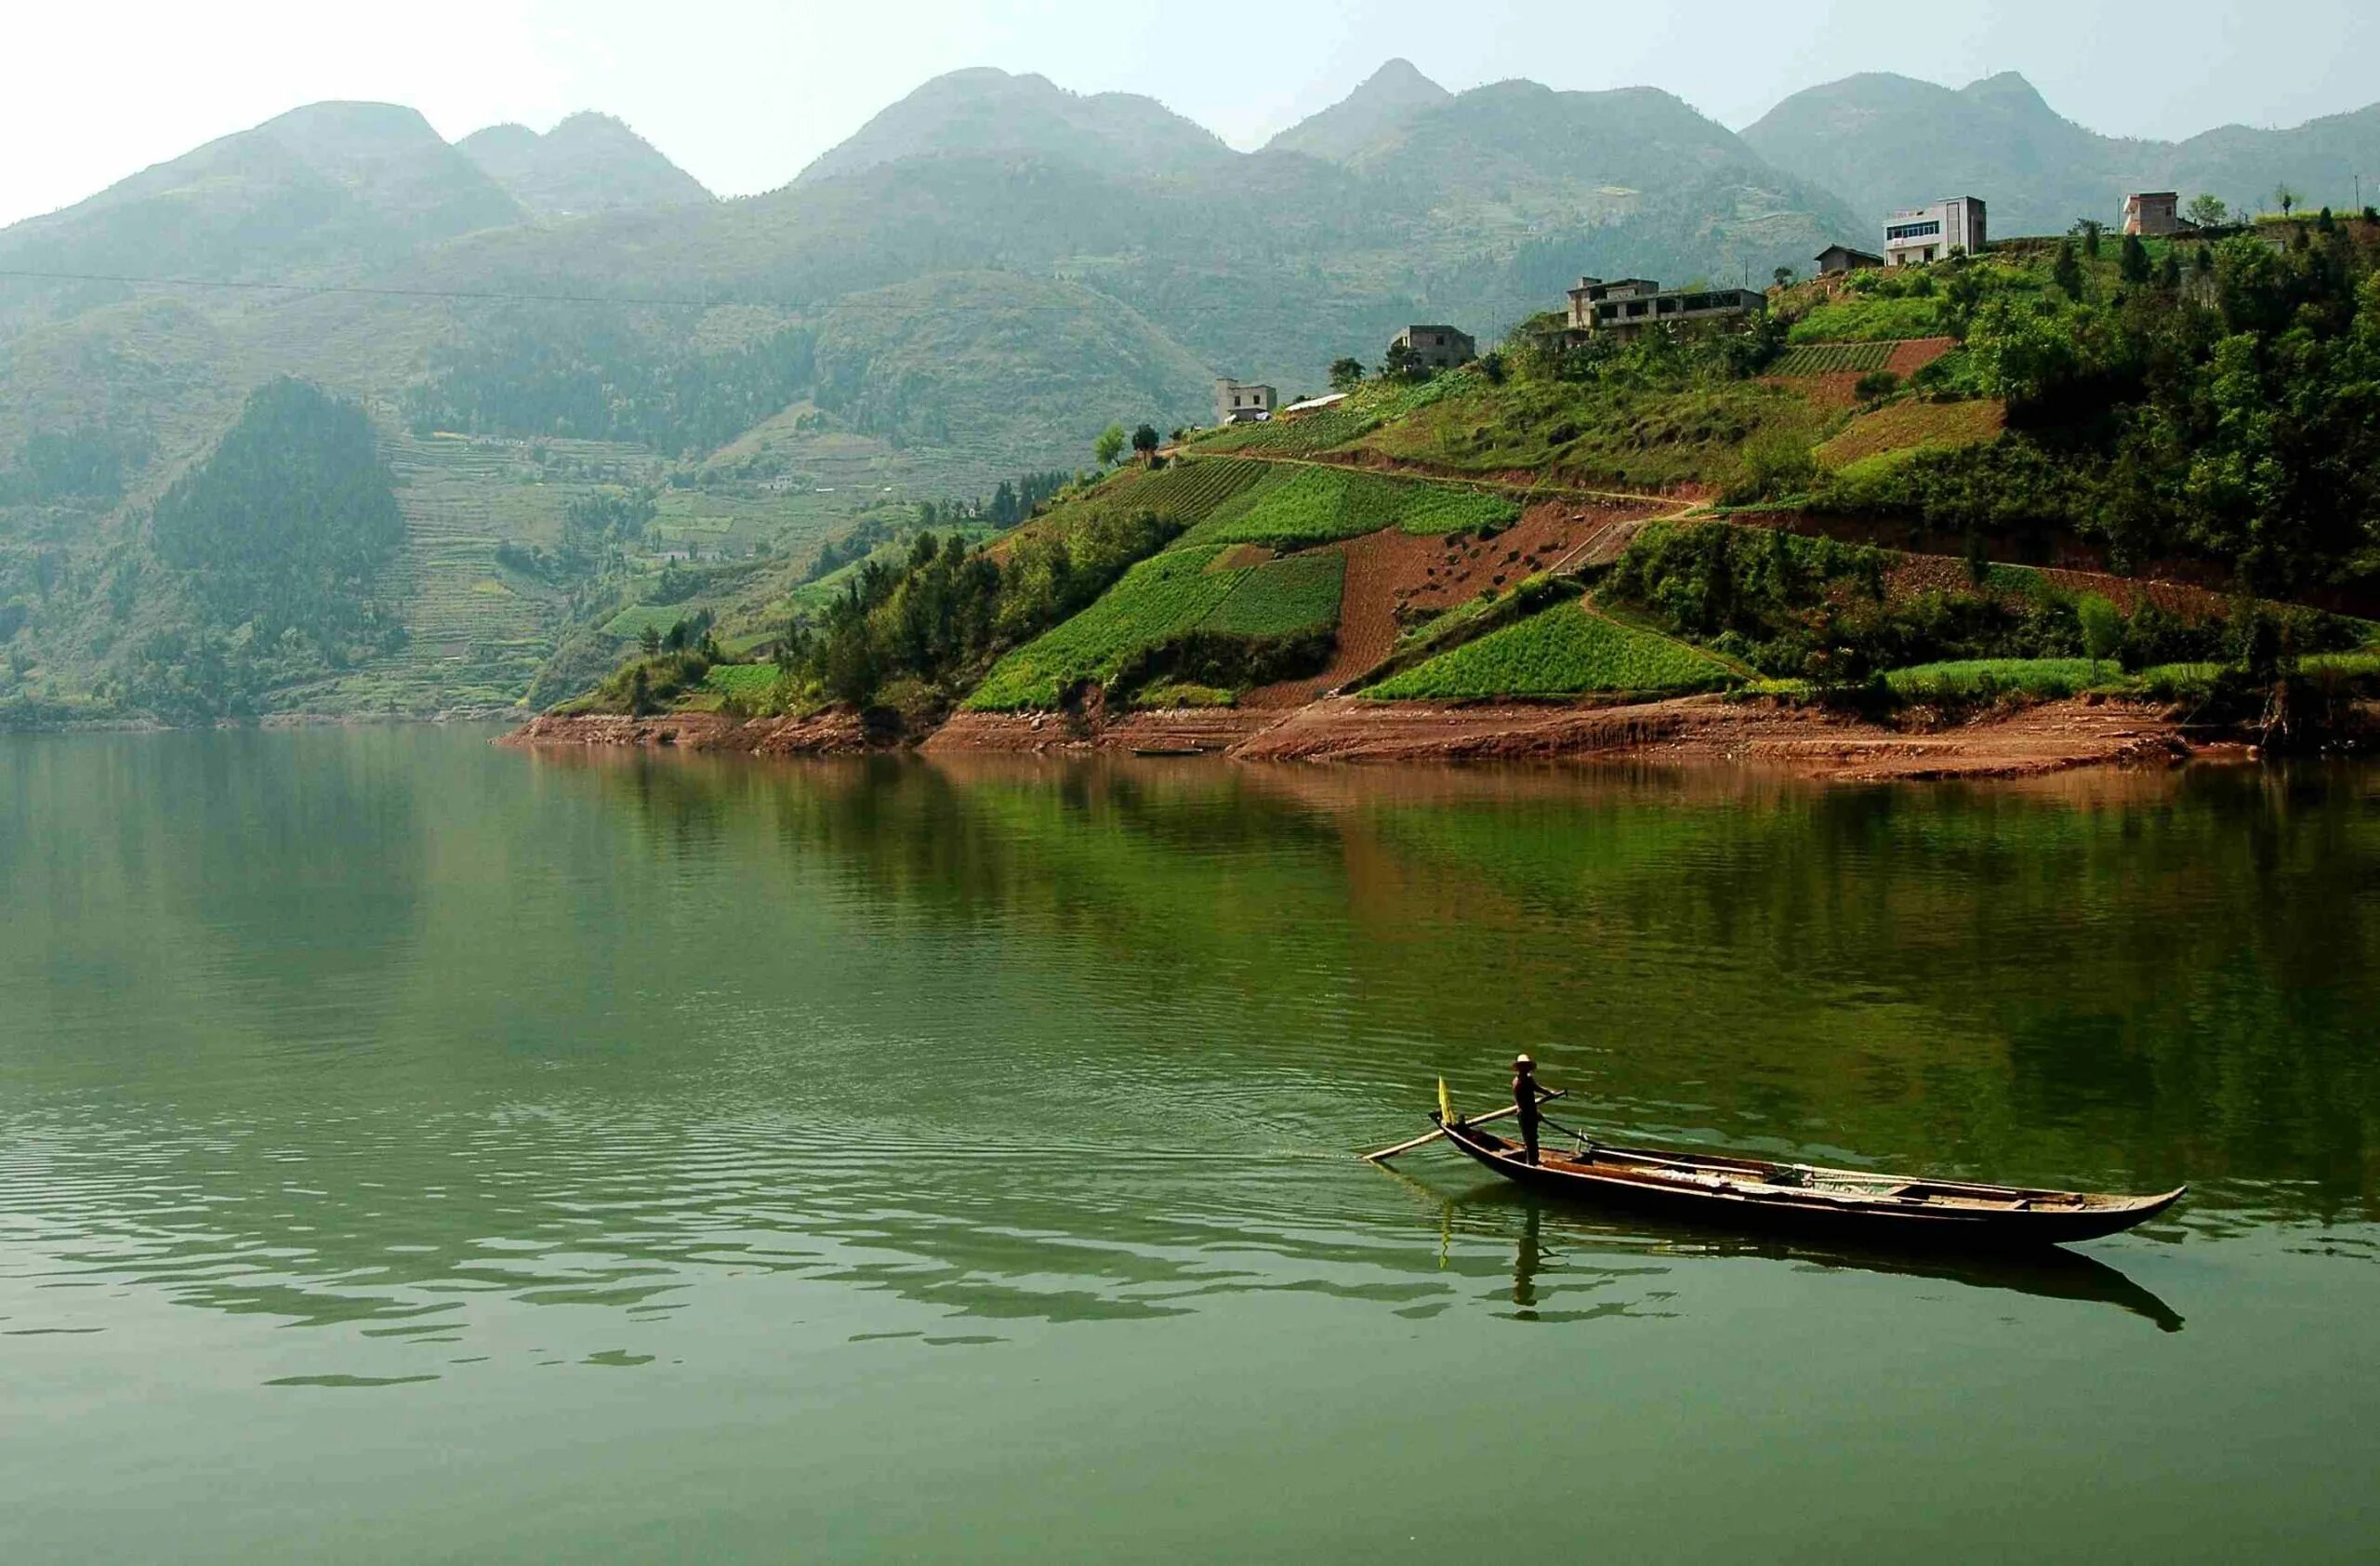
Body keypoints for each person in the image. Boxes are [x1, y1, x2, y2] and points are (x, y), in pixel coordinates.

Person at [1513, 1054, 1548, 1165]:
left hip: (1530, 1111)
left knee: (1533, 1138)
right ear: (1519, 1068)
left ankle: (1533, 1160)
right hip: (1525, 1113)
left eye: (1527, 1066)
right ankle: (1531, 1163)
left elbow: (1537, 1088)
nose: (1526, 1068)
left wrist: (1549, 1093)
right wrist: (1534, 1114)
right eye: (1523, 1066)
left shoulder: (1528, 1079)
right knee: (1529, 1140)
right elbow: (1525, 1103)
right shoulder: (1518, 1083)